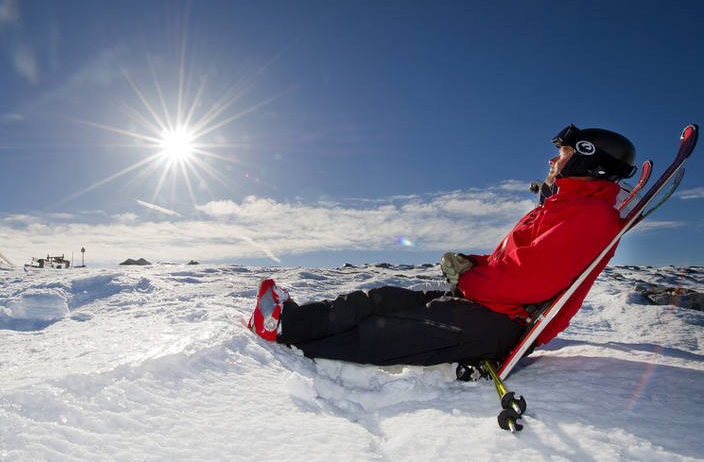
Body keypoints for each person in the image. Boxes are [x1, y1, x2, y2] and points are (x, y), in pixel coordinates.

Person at [248, 124, 637, 367]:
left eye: (565, 153)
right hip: (483, 305)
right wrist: (471, 262)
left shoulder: (591, 217)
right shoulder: (561, 206)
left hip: (500, 322)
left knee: (385, 333)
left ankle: (288, 339)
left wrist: (468, 279)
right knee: (380, 298)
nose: (555, 159)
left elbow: (528, 283)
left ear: (590, 162)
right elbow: (512, 260)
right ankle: (289, 320)